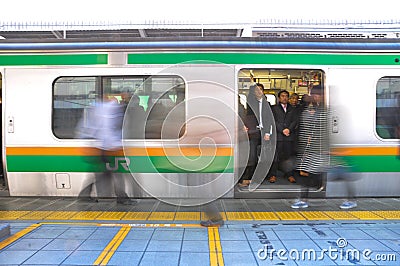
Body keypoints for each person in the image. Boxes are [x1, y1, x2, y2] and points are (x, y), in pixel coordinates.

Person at [77, 95, 135, 204]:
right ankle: (121, 197)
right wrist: (115, 145)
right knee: (114, 173)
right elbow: (108, 130)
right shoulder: (111, 109)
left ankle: (85, 195)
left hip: (103, 147)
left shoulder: (99, 108)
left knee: (104, 173)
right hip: (107, 148)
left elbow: (93, 129)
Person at [292, 85, 329, 208]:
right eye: (314, 95)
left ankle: (305, 198)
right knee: (306, 172)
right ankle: (304, 199)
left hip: (321, 147)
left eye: (318, 95)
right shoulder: (312, 108)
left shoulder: (325, 109)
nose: (316, 97)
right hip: (313, 146)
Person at [239, 83, 273, 187]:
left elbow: (270, 120)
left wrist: (268, 133)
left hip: (265, 133)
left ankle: (260, 177)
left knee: (265, 156)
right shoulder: (250, 104)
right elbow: (246, 117)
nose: (259, 92)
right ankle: (248, 178)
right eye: (256, 90)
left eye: (261, 90)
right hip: (253, 132)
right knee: (251, 156)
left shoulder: (268, 104)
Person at [268, 90, 298, 184]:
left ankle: (289, 174)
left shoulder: (293, 109)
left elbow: (295, 121)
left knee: (288, 157)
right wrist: (282, 130)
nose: (284, 98)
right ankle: (273, 175)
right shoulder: (274, 108)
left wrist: (289, 129)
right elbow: (273, 121)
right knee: (275, 157)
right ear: (279, 98)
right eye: (282, 96)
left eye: (286, 96)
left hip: (289, 136)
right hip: (278, 136)